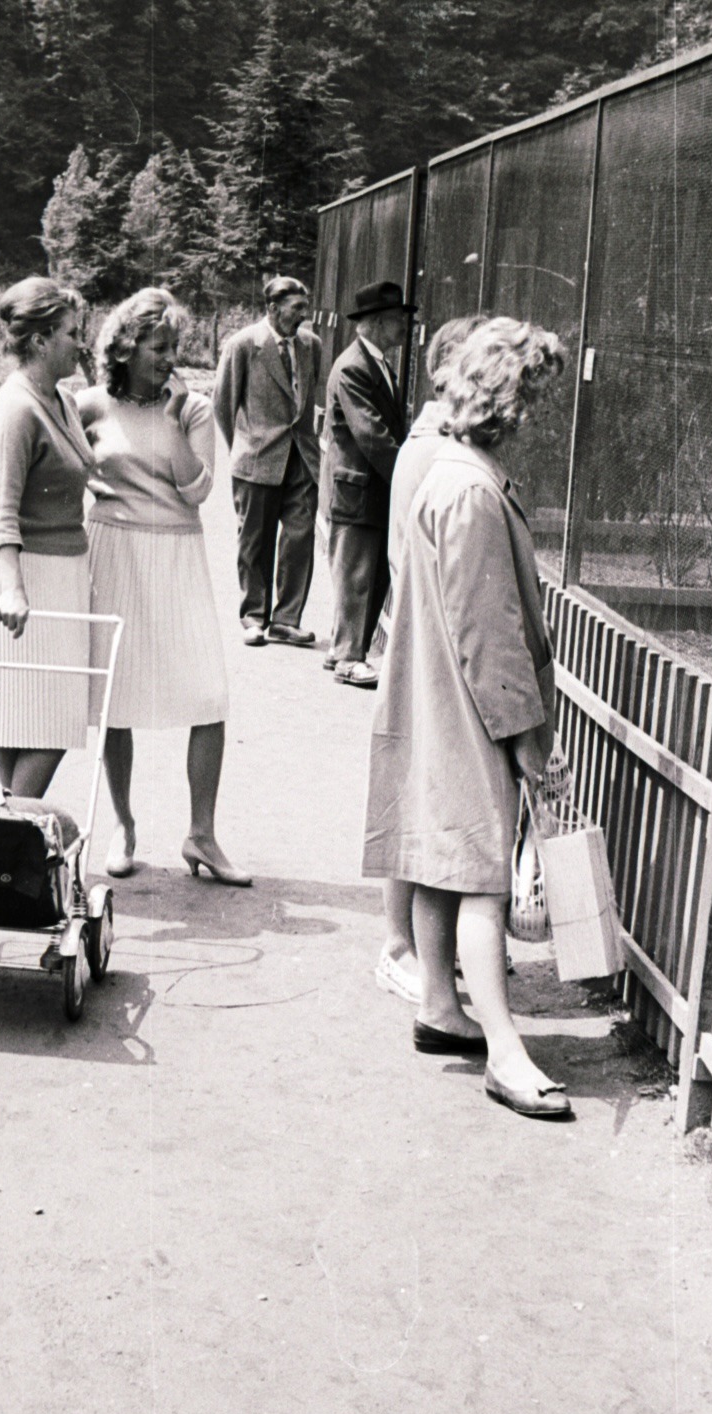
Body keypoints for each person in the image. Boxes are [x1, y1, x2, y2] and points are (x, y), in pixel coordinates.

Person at [363, 318, 570, 1119]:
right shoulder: (472, 490)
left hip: (437, 701)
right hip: (471, 709)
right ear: (508, 401)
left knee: (443, 861)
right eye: (537, 400)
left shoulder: (447, 469)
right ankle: (506, 1054)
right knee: (482, 877)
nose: (542, 419)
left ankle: (439, 1008)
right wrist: (526, 739)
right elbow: (490, 635)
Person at [79, 288, 250, 886]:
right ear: (124, 348)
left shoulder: (193, 409)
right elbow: (65, 468)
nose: (169, 358)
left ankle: (201, 835)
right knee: (114, 699)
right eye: (158, 346)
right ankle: (124, 825)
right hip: (113, 553)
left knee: (207, 696)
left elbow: (198, 489)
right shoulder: (91, 405)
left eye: (174, 346)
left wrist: (172, 417)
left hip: (176, 553)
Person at [374, 314, 488, 1006]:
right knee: (416, 800)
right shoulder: (429, 451)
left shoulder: (438, 445)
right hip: (427, 649)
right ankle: (397, 945)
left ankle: (420, 948)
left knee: (421, 796)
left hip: (427, 643)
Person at [0, 277, 94, 798]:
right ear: (41, 340)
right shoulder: (16, 409)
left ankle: (6, 849)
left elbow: (72, 466)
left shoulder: (59, 398)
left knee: (28, 719)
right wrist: (13, 588)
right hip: (25, 578)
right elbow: (1, 509)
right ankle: (12, 840)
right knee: (45, 719)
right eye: (71, 332)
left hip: (61, 572)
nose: (80, 342)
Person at [213, 276, 321, 647]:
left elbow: (305, 398)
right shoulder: (243, 344)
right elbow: (222, 405)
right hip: (257, 457)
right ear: (273, 309)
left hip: (302, 458)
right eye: (297, 309)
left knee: (300, 538)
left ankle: (287, 619)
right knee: (254, 541)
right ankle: (254, 617)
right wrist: (243, 447)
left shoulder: (311, 345)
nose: (304, 316)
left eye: (305, 308)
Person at [321, 281, 413, 687]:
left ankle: (344, 650)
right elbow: (373, 435)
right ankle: (347, 656)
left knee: (368, 572)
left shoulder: (374, 363)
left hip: (365, 487)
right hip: (358, 487)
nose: (406, 326)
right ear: (377, 322)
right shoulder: (355, 366)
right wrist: (410, 476)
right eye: (399, 319)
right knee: (357, 573)